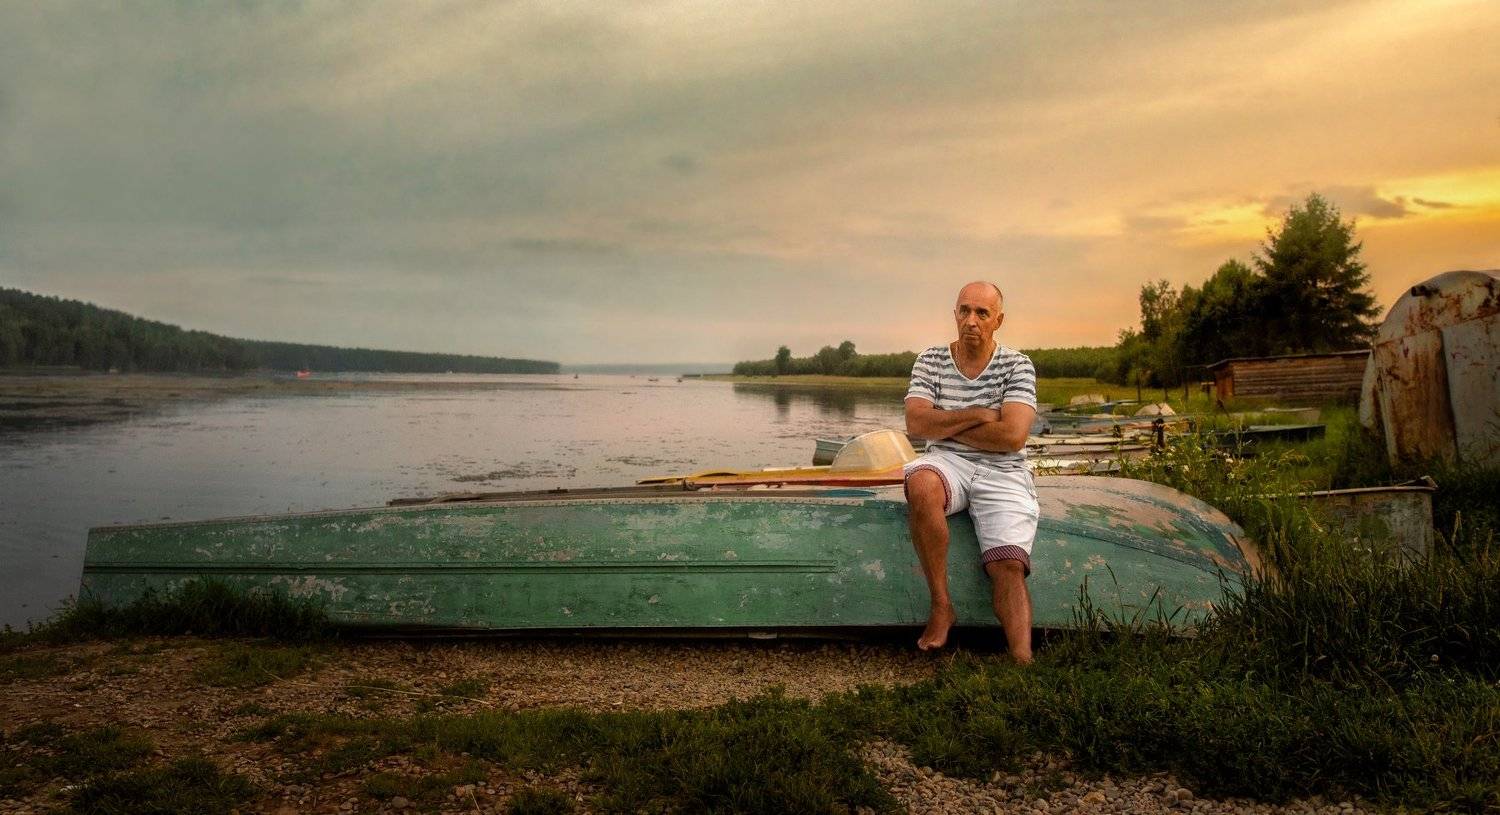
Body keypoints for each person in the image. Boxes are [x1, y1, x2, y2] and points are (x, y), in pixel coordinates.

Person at [903, 281, 1038, 662]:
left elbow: (1012, 436)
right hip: (947, 463)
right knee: (922, 483)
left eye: (982, 313)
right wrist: (979, 414)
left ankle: (1022, 660)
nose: (971, 320)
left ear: (998, 320)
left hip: (1003, 471)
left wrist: (944, 423)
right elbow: (916, 423)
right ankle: (942, 606)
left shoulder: (1017, 365)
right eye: (964, 310)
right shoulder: (930, 360)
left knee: (1008, 564)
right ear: (955, 315)